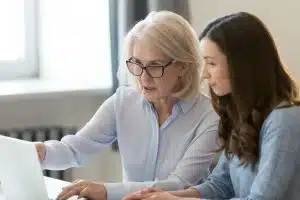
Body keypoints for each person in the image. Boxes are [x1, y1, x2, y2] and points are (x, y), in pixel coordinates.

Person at [35, 11, 219, 200]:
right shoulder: (124, 101)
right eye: (137, 63)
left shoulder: (210, 117)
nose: (143, 77)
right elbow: (76, 148)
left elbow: (178, 184)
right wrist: (42, 152)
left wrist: (106, 191)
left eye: (155, 66)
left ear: (183, 66)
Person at [123, 11, 300, 200]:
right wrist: (166, 196)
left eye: (212, 63)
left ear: (240, 66)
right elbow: (220, 186)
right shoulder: (240, 117)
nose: (205, 74)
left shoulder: (283, 120)